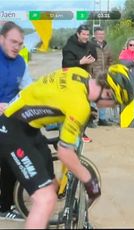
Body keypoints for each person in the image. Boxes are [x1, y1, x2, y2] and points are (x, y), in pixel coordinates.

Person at [0, 64, 134, 228]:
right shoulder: (79, 106)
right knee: (45, 199)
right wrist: (90, 180)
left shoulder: (80, 74)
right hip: (14, 130)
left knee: (52, 187)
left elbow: (56, 95)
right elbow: (65, 153)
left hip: (29, 127)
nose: (110, 108)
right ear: (108, 92)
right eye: (114, 104)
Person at [0, 21, 33, 221]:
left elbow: (29, 89)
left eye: (20, 43)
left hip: (7, 121)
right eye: (13, 42)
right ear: (1, 38)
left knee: (10, 160)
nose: (17, 46)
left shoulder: (21, 62)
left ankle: (4, 206)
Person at [62, 24, 98, 141]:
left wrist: (92, 60)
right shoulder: (68, 47)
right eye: (83, 34)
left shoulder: (90, 45)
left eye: (87, 34)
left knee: (87, 107)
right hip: (72, 81)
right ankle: (69, 132)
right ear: (78, 34)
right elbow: (65, 64)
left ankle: (82, 132)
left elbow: (94, 57)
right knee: (74, 107)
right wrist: (80, 62)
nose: (86, 37)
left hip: (86, 79)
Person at [91, 26, 114, 126]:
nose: (101, 36)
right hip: (93, 76)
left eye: (102, 34)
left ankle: (102, 119)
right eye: (99, 34)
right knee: (92, 98)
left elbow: (111, 61)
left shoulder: (107, 47)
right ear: (95, 35)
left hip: (104, 77)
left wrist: (108, 71)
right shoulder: (90, 46)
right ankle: (90, 119)